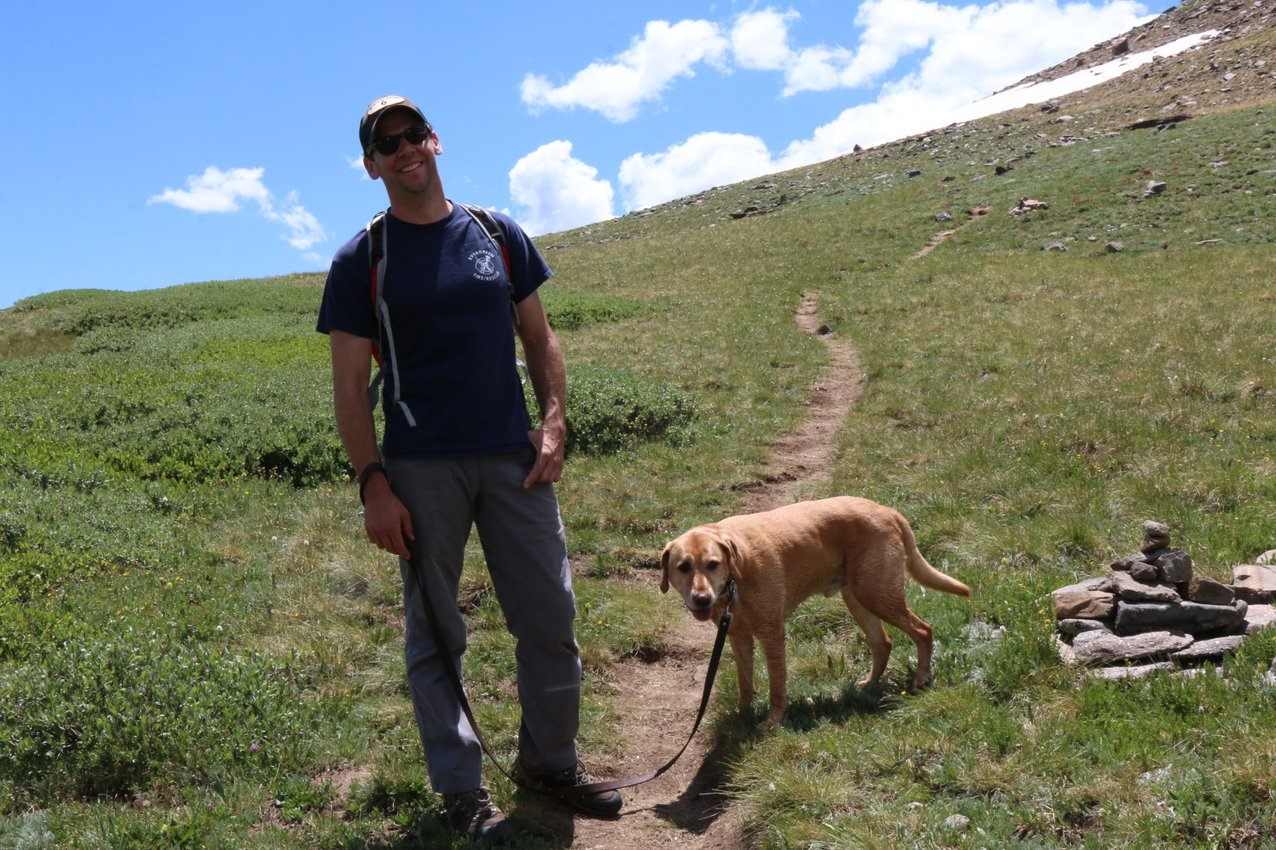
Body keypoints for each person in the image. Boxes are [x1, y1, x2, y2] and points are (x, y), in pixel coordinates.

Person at [316, 94, 622, 841]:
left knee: (549, 617)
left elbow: (540, 339)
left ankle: (552, 763)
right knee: (436, 635)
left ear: (436, 141)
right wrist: (373, 484)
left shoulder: (495, 232)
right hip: (421, 470)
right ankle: (462, 792)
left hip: (514, 461)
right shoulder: (364, 258)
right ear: (371, 165)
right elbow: (350, 389)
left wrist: (554, 422)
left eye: (414, 134)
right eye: (388, 143)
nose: (405, 149)